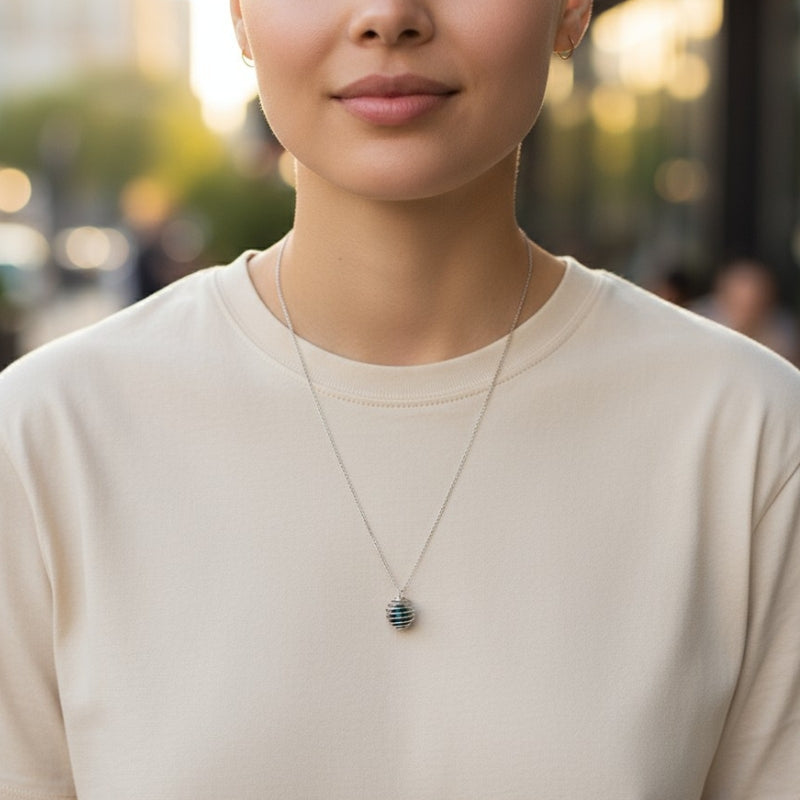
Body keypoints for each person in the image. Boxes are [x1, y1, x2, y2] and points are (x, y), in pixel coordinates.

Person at [1, 1, 798, 798]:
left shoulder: (749, 436)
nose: (388, 16)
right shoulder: (48, 441)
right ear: (239, 15)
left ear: (572, 9)